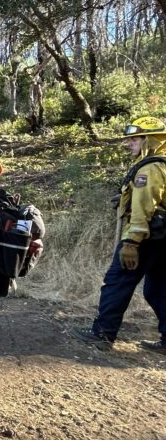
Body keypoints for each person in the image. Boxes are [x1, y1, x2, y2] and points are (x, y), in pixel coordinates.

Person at [72, 117, 166, 354]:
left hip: (146, 239)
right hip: (161, 240)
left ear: (150, 140)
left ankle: (102, 334)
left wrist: (131, 243)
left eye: (134, 139)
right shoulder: (160, 164)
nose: (129, 144)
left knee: (117, 282)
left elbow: (145, 206)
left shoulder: (150, 168)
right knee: (158, 290)